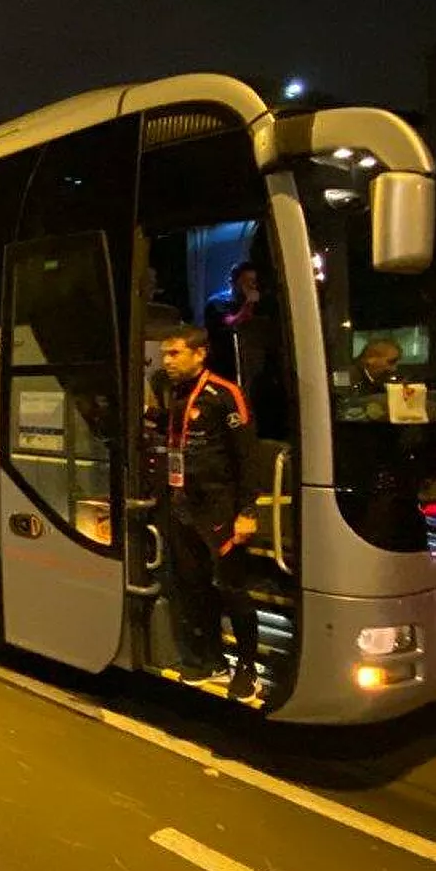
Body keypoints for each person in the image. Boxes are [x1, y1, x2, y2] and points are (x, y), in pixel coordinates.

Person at [152, 325, 264, 701]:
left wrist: (247, 510)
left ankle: (247, 668)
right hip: (181, 504)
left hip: (220, 508)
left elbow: (248, 457)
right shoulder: (171, 391)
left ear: (200, 354)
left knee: (232, 589)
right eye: (165, 354)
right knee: (192, 587)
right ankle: (209, 660)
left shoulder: (225, 394)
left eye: (175, 353)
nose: (167, 361)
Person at [203, 261, 272, 390]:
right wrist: (248, 304)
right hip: (224, 367)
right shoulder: (218, 302)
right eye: (246, 281)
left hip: (251, 368)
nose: (251, 285)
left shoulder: (259, 304)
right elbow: (232, 324)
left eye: (254, 281)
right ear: (234, 282)